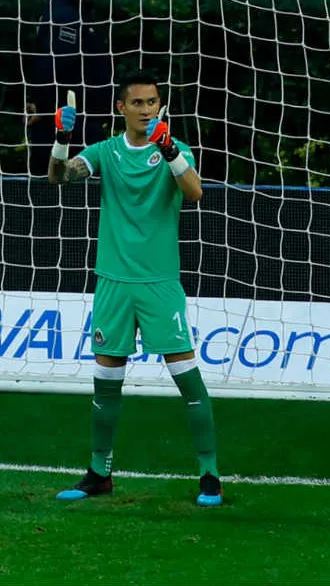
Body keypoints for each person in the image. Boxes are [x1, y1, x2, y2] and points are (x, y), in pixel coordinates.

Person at [48, 69, 222, 507]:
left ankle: (210, 474)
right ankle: (99, 473)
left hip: (160, 283)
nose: (148, 110)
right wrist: (60, 138)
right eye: (139, 103)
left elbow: (196, 192)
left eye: (153, 102)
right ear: (120, 108)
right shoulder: (105, 152)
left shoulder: (174, 150)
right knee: (106, 380)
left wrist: (168, 151)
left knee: (187, 378)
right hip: (113, 282)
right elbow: (59, 177)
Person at [25, 0, 112, 177]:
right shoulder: (64, 15)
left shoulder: (84, 11)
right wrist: (42, 108)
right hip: (64, 127)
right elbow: (50, 66)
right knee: (58, 195)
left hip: (83, 124)